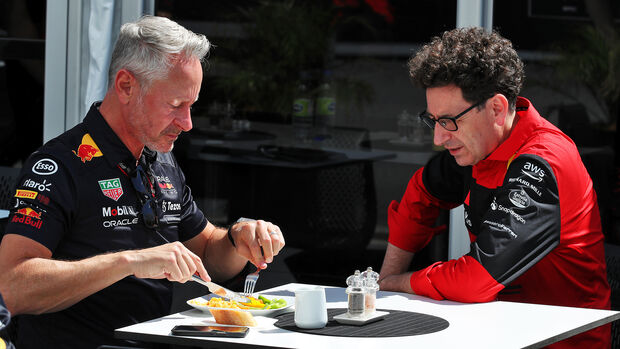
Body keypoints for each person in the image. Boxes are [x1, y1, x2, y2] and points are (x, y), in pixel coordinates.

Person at [0, 15, 285, 348]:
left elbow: (207, 252)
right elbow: (12, 286)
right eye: (176, 105)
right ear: (125, 86)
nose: (188, 123)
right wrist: (128, 262)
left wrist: (240, 238)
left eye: (191, 105)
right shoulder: (59, 166)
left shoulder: (159, 158)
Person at [378, 27, 610, 348]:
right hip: (495, 332)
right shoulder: (478, 145)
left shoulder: (543, 161)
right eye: (433, 120)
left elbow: (476, 279)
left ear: (497, 109)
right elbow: (421, 193)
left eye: (449, 120)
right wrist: (383, 286)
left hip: (561, 342)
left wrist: (401, 283)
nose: (439, 138)